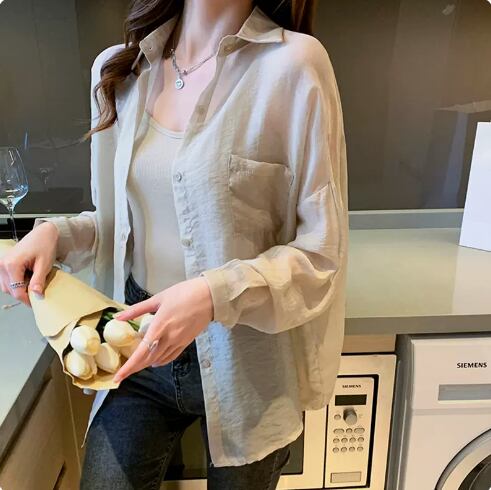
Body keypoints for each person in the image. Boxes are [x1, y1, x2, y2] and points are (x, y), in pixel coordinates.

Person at [0, 0, 349, 488]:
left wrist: (211, 295)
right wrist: (57, 234)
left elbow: (320, 254)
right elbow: (120, 222)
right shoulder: (120, 70)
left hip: (247, 359)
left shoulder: (293, 66)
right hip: (133, 345)